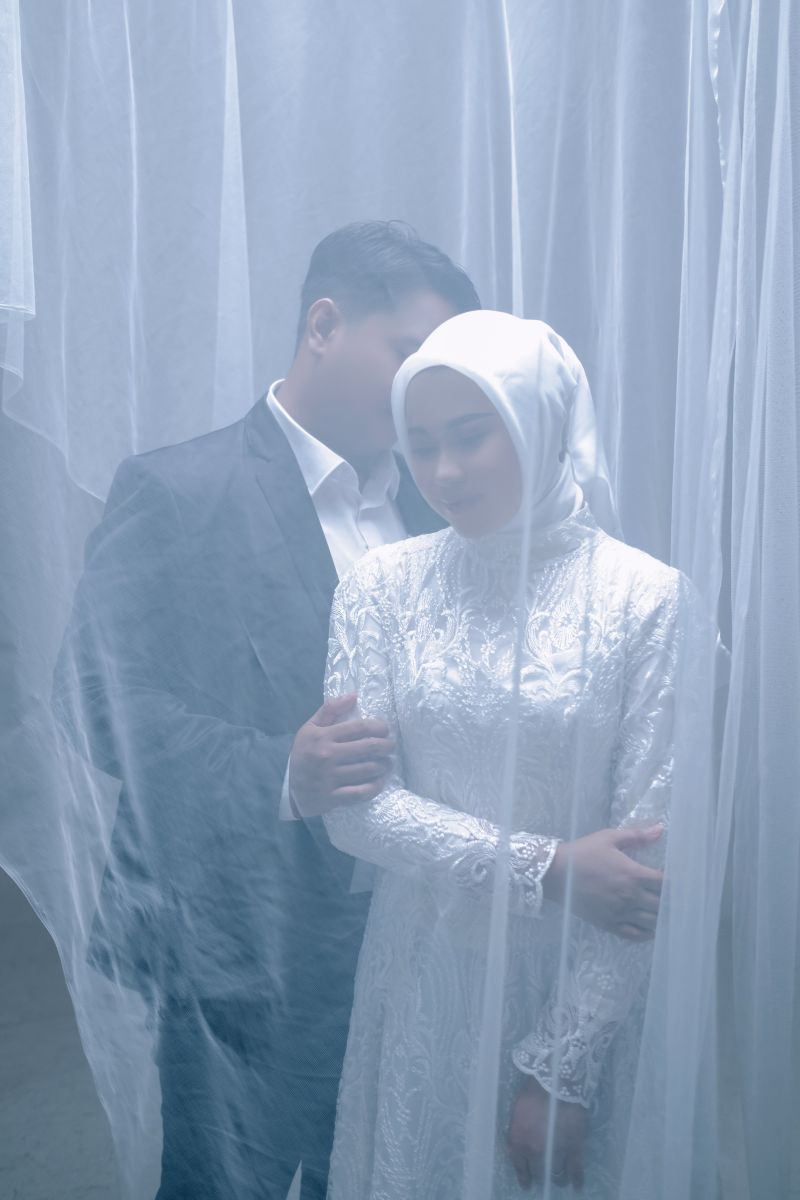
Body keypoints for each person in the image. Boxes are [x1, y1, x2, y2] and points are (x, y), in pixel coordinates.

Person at [53, 227, 663, 1200]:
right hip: (244, 951)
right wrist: (279, 772)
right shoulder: (179, 489)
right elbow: (89, 700)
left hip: (424, 953)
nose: (424, 379)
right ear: (323, 325)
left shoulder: (448, 498)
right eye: (407, 347)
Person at [323, 310, 689, 1198]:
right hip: (420, 977)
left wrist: (563, 1067)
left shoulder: (649, 599)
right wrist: (547, 867)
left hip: (575, 986)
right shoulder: (380, 588)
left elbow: (645, 868)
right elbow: (355, 812)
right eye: (421, 445)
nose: (443, 472)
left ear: (543, 422)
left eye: (470, 436)